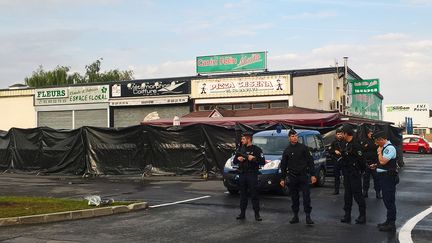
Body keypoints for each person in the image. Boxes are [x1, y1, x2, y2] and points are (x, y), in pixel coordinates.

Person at [280, 129, 317, 225]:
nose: (295, 137)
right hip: (292, 177)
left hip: (303, 176)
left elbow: (310, 162)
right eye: (292, 136)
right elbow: (283, 165)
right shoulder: (287, 150)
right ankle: (295, 216)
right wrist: (282, 178)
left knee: (306, 197)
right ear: (289, 138)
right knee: (294, 197)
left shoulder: (303, 148)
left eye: (296, 136)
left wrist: (313, 175)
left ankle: (308, 216)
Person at [233, 131, 265, 221]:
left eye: (243, 139)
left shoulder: (257, 149)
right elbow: (235, 161)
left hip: (252, 174)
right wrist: (238, 159)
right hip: (242, 174)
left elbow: (262, 162)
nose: (241, 140)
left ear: (248, 139)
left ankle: (257, 214)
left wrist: (253, 158)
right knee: (243, 195)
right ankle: (242, 213)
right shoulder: (240, 149)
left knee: (254, 194)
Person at [340, 125, 367, 224]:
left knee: (358, 195)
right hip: (347, 173)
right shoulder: (345, 144)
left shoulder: (356, 145)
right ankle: (347, 215)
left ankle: (362, 215)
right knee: (347, 195)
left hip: (354, 173)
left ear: (346, 133)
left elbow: (362, 160)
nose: (341, 135)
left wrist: (361, 171)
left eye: (342, 133)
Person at [373, 130, 399, 232]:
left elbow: (383, 161)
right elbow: (382, 163)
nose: (376, 144)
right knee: (386, 199)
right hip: (384, 177)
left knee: (389, 200)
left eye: (377, 141)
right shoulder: (384, 147)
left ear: (381, 140)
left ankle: (391, 223)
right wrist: (376, 165)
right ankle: (388, 221)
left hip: (388, 177)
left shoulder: (389, 148)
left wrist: (379, 152)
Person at [361, 129, 382, 199]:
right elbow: (362, 149)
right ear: (368, 134)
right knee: (366, 178)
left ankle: (378, 193)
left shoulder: (376, 140)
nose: (371, 135)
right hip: (367, 162)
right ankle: (365, 192)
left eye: (372, 133)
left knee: (377, 178)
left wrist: (370, 146)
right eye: (370, 133)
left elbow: (378, 148)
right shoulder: (364, 140)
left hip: (375, 162)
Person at [328, 128, 345, 195]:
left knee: (346, 176)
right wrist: (334, 151)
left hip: (344, 161)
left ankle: (347, 189)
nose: (339, 135)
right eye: (338, 134)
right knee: (336, 177)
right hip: (336, 161)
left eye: (340, 134)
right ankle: (336, 190)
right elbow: (329, 151)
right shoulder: (333, 142)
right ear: (336, 135)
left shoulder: (345, 141)